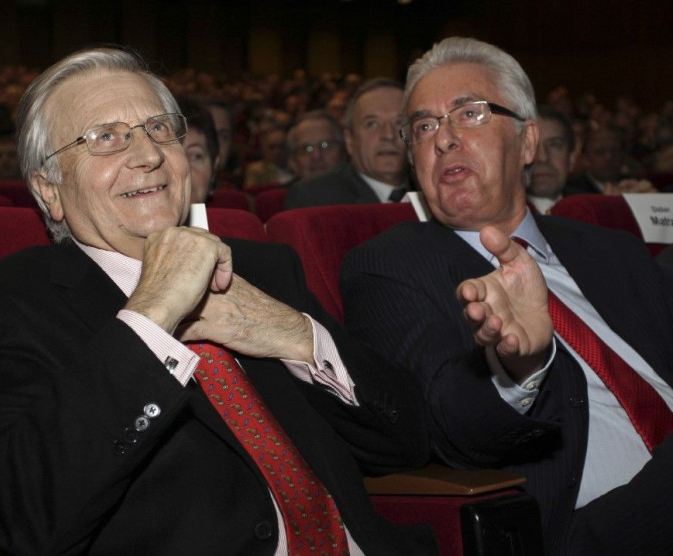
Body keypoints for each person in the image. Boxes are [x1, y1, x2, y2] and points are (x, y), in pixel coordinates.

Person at [0, 46, 438, 556]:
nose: (148, 155)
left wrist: (296, 336)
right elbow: (21, 518)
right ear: (49, 190)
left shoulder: (262, 269)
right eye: (106, 138)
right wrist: (151, 316)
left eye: (159, 129)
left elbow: (406, 441)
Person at [341, 37, 673, 556]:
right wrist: (518, 368)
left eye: (469, 113)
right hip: (587, 528)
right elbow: (446, 424)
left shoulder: (610, 250)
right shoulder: (390, 265)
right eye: (424, 126)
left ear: (529, 141)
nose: (444, 138)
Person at [285, 78, 411, 209]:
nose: (388, 135)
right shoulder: (315, 199)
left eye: (399, 123)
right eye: (372, 124)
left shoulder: (430, 189)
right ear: (349, 139)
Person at [564, 124, 656, 196]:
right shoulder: (571, 190)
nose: (609, 157)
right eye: (600, 152)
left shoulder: (637, 185)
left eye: (615, 151)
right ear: (585, 159)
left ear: (624, 156)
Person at [527, 107, 576, 214]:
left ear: (571, 159)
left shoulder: (593, 215)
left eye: (554, 145)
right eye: (531, 146)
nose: (542, 158)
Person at [177, 97, 219, 203]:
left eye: (196, 156)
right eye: (175, 155)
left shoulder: (236, 220)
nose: (184, 167)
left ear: (214, 169)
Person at [286, 110, 347, 183]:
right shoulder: (284, 194)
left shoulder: (362, 192)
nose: (316, 156)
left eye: (325, 145)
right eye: (306, 149)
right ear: (293, 162)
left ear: (343, 153)